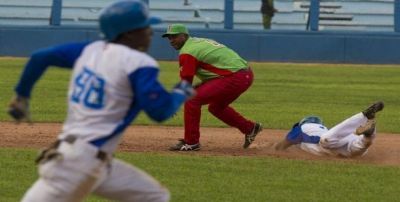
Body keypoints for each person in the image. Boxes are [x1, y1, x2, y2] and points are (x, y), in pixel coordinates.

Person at [8, 1, 195, 201]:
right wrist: (180, 92)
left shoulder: (90, 50)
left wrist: (22, 95)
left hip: (80, 157)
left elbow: (39, 57)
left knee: (156, 196)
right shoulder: (138, 62)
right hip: (80, 164)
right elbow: (160, 111)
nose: (150, 32)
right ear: (128, 33)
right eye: (145, 27)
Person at [162, 24, 262, 151]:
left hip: (235, 76)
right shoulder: (196, 42)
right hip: (243, 75)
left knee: (192, 100)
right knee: (216, 108)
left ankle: (191, 142)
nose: (171, 40)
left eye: (174, 36)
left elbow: (186, 83)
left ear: (184, 36)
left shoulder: (187, 51)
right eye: (169, 38)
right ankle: (250, 128)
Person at [274, 101, 384, 157]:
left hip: (328, 144)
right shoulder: (325, 128)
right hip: (341, 146)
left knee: (326, 140)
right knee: (359, 146)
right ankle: (368, 133)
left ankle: (364, 116)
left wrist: (270, 148)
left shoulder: (303, 128)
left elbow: (281, 146)